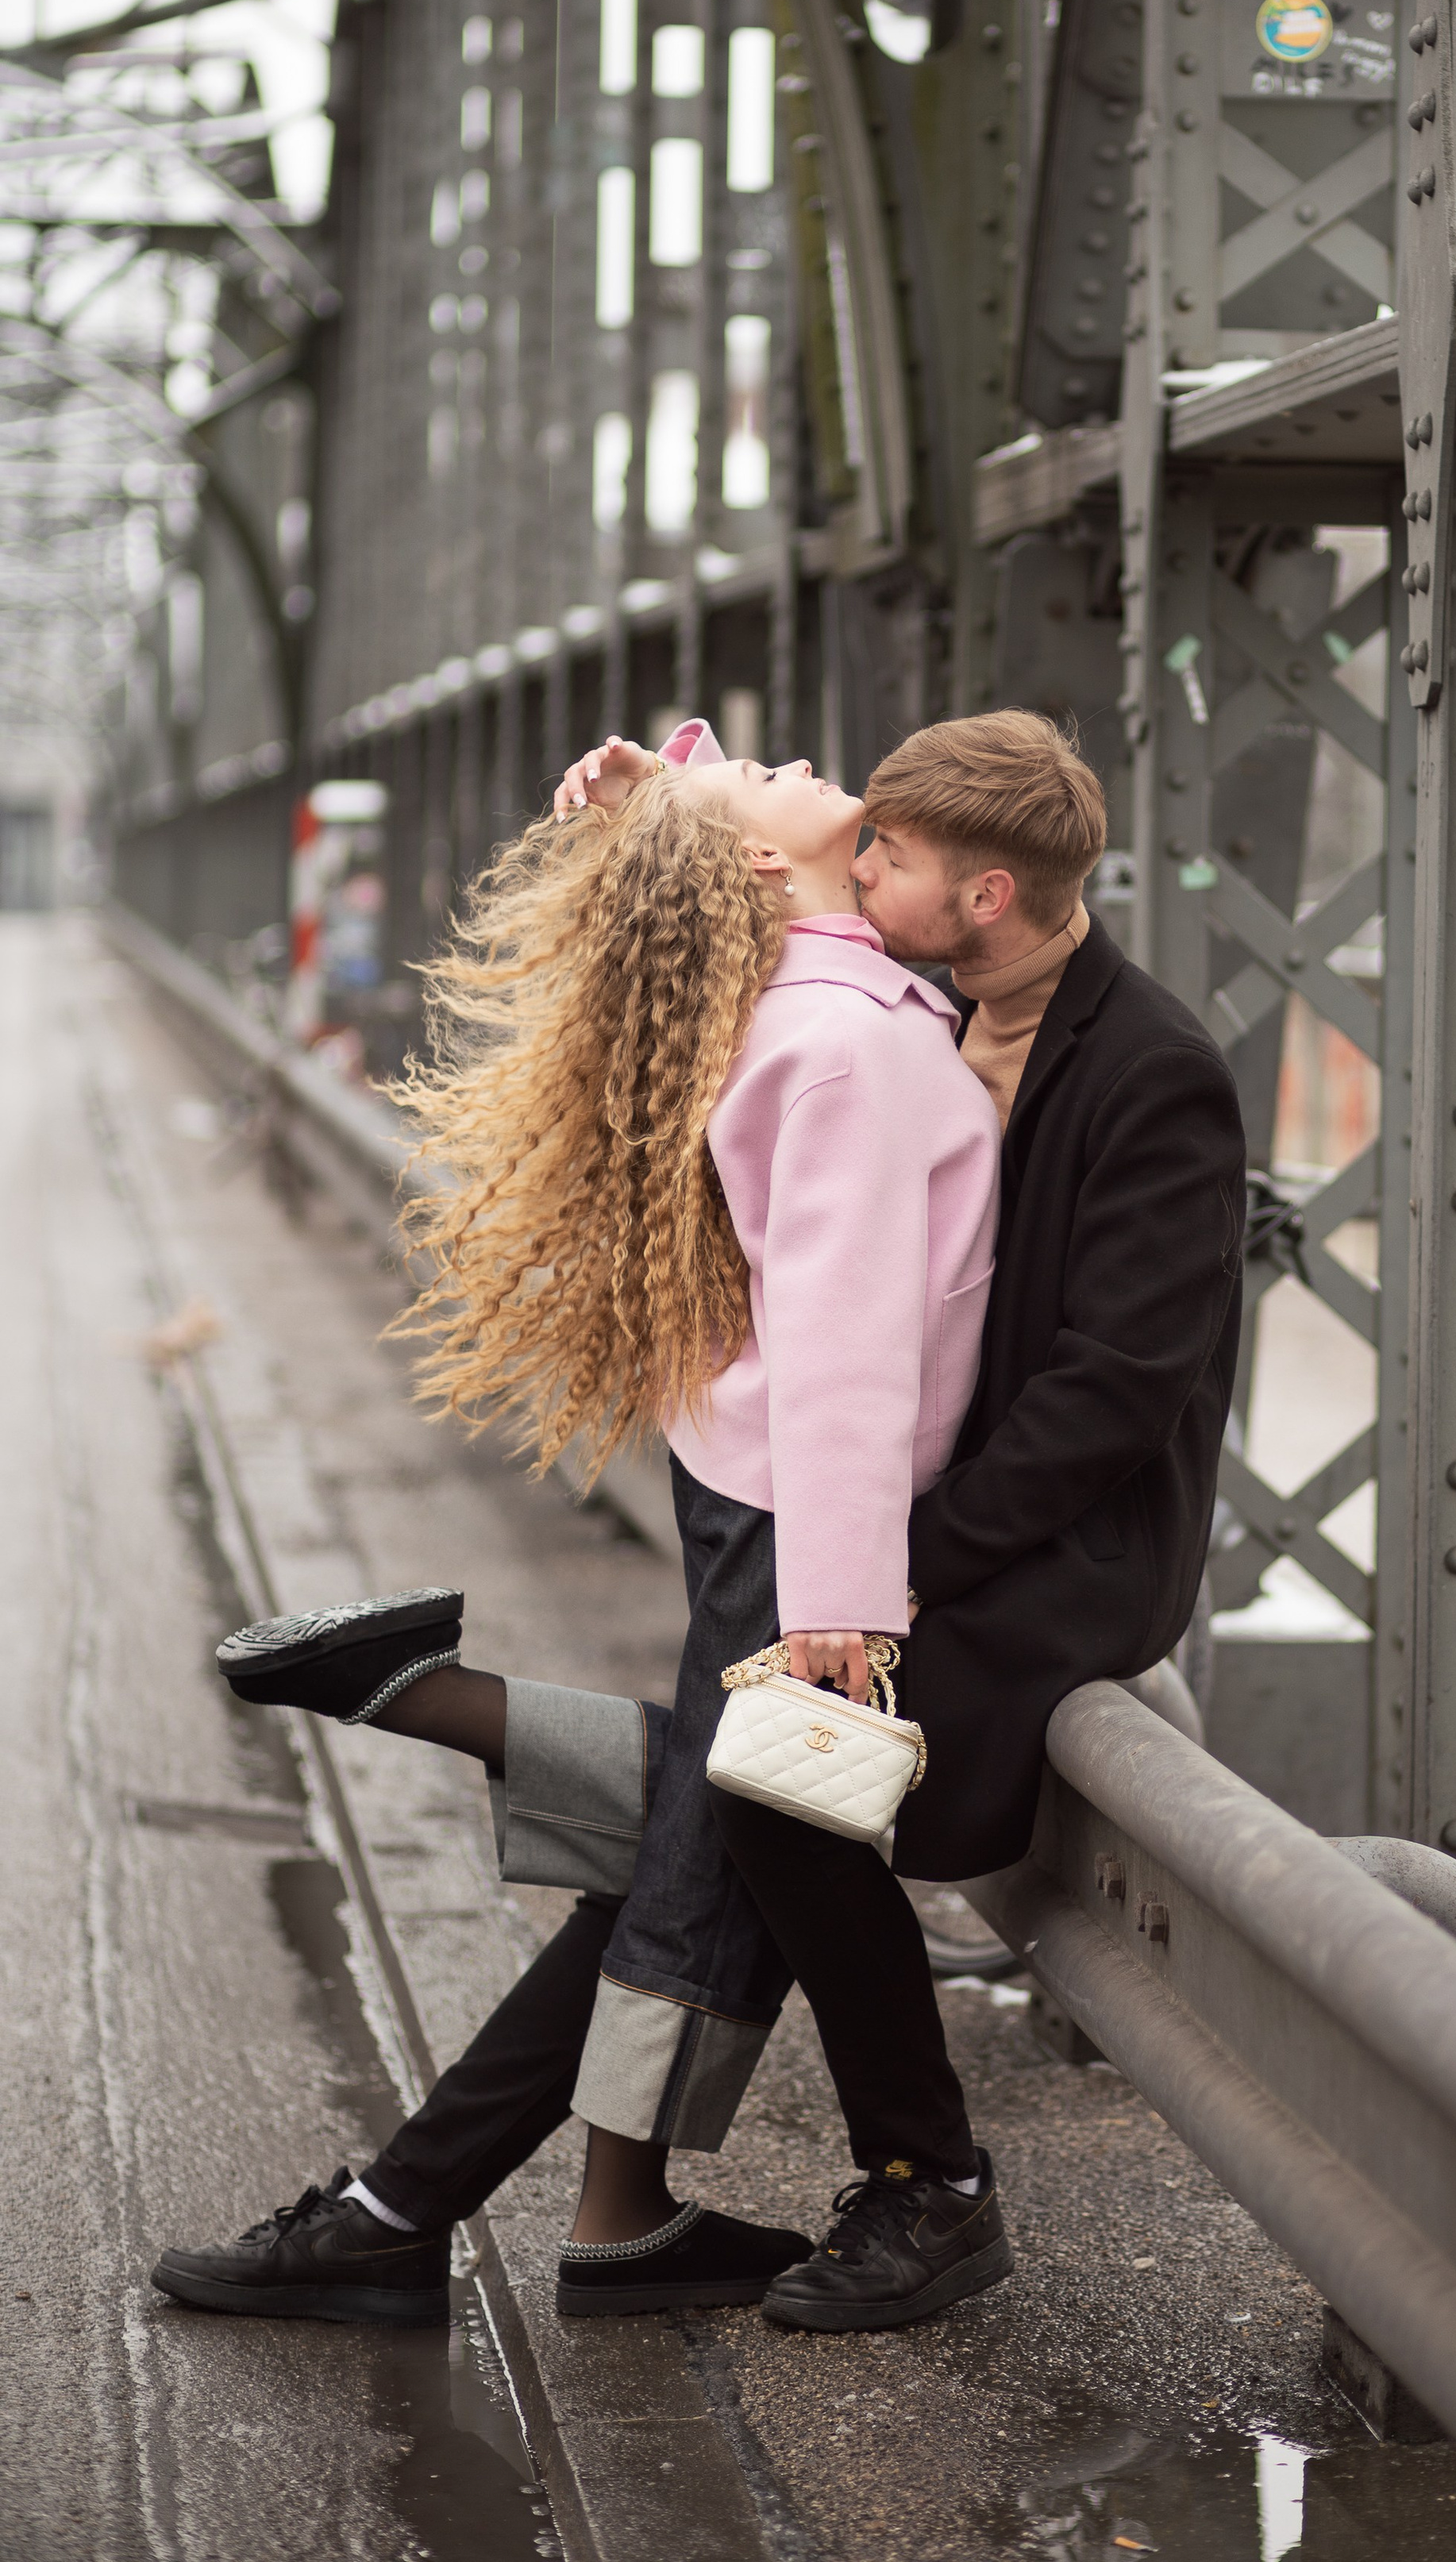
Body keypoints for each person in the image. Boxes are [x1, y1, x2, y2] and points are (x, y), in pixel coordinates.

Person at [153, 711, 1246, 2333]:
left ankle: (448, 2177)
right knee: (727, 1804)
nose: (855, 831)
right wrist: (640, 802)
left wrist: (875, 1577)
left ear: (988, 899)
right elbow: (845, 1330)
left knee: (733, 1803)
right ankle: (562, 2201)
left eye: (888, 844)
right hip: (842, 1519)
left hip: (1003, 1548)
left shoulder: (1102, 1057)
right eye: (845, 832)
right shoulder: (871, 1003)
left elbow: (1102, 1388)